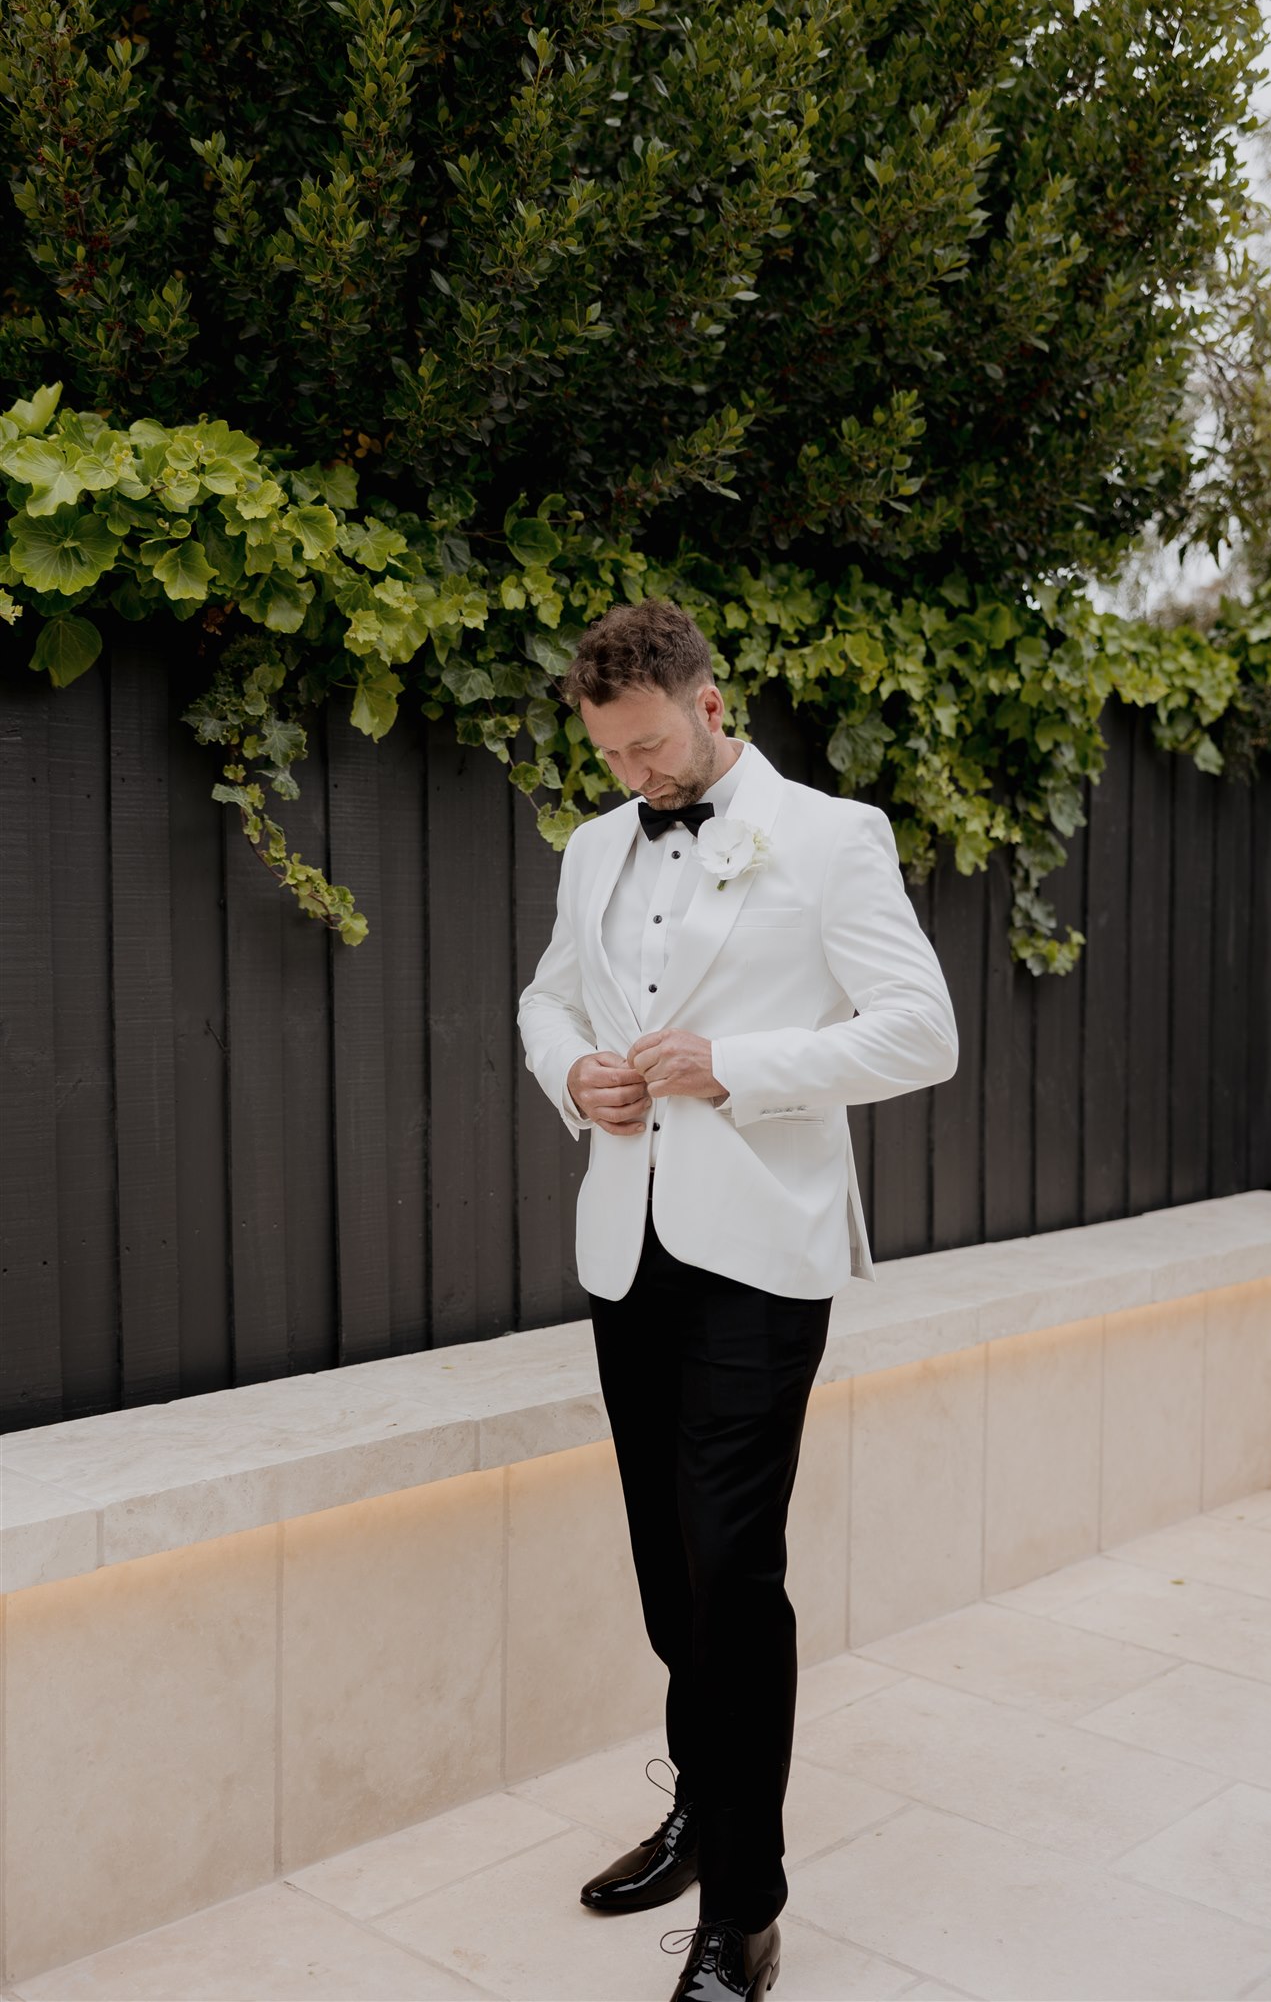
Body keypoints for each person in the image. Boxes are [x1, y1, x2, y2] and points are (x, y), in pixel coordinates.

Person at [517, 598, 959, 2002]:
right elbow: (546, 1000)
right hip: (626, 1247)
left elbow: (922, 1033)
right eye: (610, 756)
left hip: (761, 1256)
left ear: (711, 706)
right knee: (668, 1568)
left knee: (731, 1570)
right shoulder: (592, 848)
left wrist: (739, 1066)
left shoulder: (831, 836)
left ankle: (745, 1912)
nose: (633, 776)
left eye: (650, 747)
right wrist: (572, 1075)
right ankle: (704, 1809)